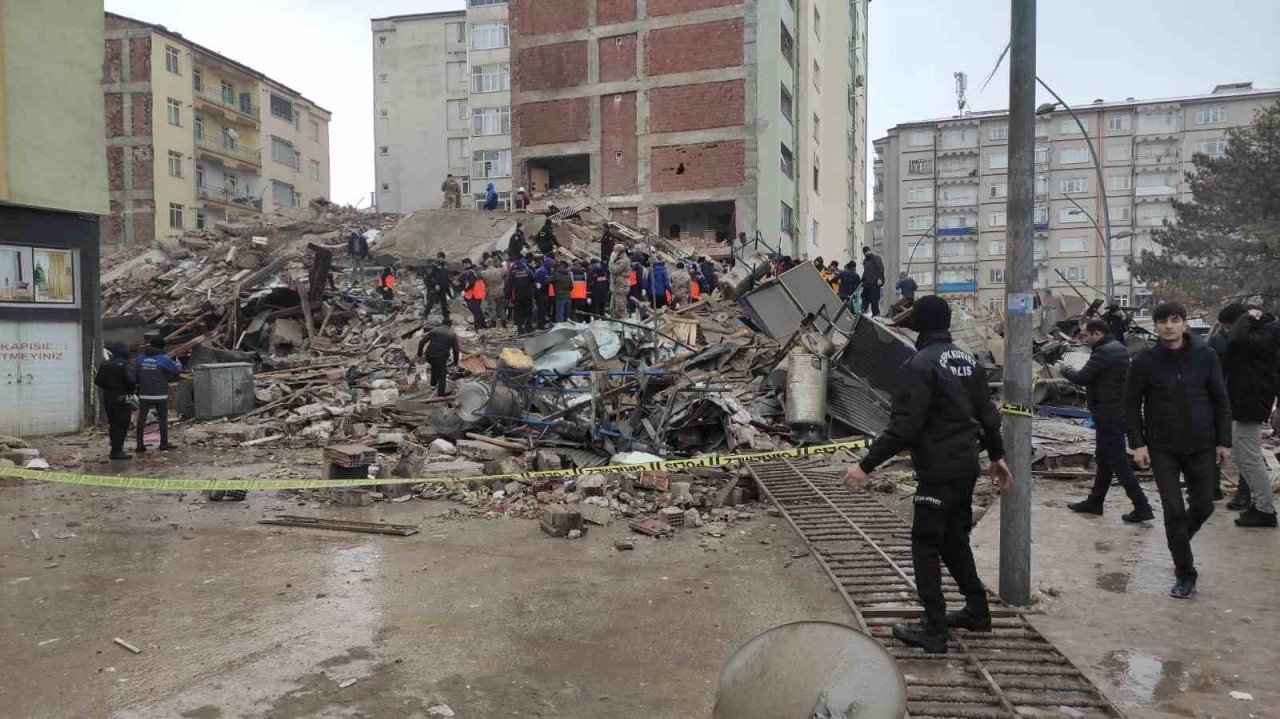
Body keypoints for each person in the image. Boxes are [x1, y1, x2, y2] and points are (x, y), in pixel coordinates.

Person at [842, 296, 1012, 653]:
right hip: (966, 466)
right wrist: (997, 456)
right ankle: (977, 611)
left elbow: (905, 426)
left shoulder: (920, 364)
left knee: (925, 543)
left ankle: (934, 629)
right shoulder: (968, 360)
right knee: (954, 540)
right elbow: (988, 415)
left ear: (919, 324)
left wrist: (865, 465)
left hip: (937, 469)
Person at [1125, 301, 1232, 599]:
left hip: (1201, 443)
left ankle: (1179, 540)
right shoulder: (1145, 361)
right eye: (1163, 321)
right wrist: (1138, 445)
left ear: (1184, 323)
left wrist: (1224, 442)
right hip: (1163, 447)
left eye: (1174, 320)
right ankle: (1185, 574)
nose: (1169, 326)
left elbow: (1220, 400)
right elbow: (1131, 406)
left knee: (1204, 506)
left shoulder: (1206, 356)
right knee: (1173, 511)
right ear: (1156, 326)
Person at [1061, 319, 1153, 521]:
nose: (1083, 339)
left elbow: (1082, 377)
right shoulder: (1117, 347)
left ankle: (1142, 506)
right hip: (1111, 412)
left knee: (1118, 463)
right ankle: (1095, 501)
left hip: (1109, 414)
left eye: (1085, 335)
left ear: (1097, 334)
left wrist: (1064, 369)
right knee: (1103, 460)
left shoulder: (1104, 352)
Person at [1221, 307, 1279, 527]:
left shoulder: (1262, 337)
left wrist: (1246, 317)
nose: (1227, 333)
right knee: (1242, 455)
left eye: (1228, 327)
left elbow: (1237, 338)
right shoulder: (1257, 338)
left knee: (1250, 458)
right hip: (1245, 403)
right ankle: (1259, 504)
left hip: (1250, 404)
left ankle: (1265, 509)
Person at [134, 336, 182, 453]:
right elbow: (176, 370)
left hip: (144, 394)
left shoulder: (140, 358)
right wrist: (178, 362)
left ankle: (140, 445)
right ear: (162, 347)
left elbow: (134, 374)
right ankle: (163, 443)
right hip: (160, 395)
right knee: (162, 419)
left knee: (141, 419)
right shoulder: (163, 359)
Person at [96, 341, 137, 461]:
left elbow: (98, 381)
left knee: (113, 424)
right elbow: (131, 381)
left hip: (108, 397)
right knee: (122, 424)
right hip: (123, 397)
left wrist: (110, 387)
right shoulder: (125, 365)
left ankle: (115, 448)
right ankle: (118, 450)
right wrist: (130, 390)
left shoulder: (105, 364)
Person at [417, 319, 460, 397]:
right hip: (441, 357)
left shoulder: (434, 330)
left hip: (429, 355)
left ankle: (432, 385)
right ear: (450, 326)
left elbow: (422, 341)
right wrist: (455, 362)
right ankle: (441, 396)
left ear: (441, 324)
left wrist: (419, 354)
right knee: (442, 375)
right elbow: (456, 350)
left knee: (434, 367)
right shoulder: (452, 335)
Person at [508, 258, 535, 335]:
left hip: (518, 296)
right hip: (528, 294)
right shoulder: (527, 271)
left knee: (518, 312)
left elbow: (509, 286)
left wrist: (508, 296)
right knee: (528, 312)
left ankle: (520, 330)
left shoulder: (512, 273)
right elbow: (533, 279)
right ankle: (528, 328)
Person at [459, 258, 487, 331]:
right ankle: (483, 325)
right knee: (478, 310)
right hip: (479, 293)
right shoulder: (476, 270)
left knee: (475, 311)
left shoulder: (470, 272)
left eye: (464, 265)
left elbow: (471, 283)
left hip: (474, 294)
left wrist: (465, 290)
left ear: (467, 264)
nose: (463, 266)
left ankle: (477, 327)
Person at [422, 253, 450, 321]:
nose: (440, 259)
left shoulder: (445, 265)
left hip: (443, 287)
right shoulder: (433, 265)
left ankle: (446, 317)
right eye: (439, 257)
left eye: (441, 257)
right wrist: (436, 284)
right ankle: (425, 315)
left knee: (444, 303)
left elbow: (446, 276)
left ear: (444, 258)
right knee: (431, 301)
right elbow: (430, 276)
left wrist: (449, 283)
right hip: (435, 287)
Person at [481, 258, 506, 329]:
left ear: (486, 264)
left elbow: (483, 284)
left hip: (490, 293)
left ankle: (494, 324)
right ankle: (504, 323)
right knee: (501, 308)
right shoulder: (500, 270)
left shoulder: (483, 273)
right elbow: (504, 276)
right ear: (493, 263)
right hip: (500, 291)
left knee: (492, 309)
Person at [860, 246, 885, 316]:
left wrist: (880, 278)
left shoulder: (876, 258)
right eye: (865, 252)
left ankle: (876, 314)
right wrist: (861, 281)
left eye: (867, 251)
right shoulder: (865, 261)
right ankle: (862, 314)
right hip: (867, 283)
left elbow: (881, 268)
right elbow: (865, 272)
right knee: (864, 298)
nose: (867, 253)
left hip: (875, 282)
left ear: (869, 251)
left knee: (874, 301)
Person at [609, 245, 631, 319]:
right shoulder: (618, 259)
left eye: (615, 251)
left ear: (619, 251)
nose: (614, 253)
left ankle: (623, 324)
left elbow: (613, 270)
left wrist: (611, 260)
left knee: (620, 309)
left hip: (621, 287)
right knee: (613, 309)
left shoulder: (623, 260)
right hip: (616, 288)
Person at [533, 256, 552, 329]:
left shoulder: (546, 271)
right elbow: (539, 284)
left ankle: (542, 322)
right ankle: (540, 324)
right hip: (540, 293)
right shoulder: (541, 272)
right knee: (541, 309)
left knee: (543, 308)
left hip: (544, 293)